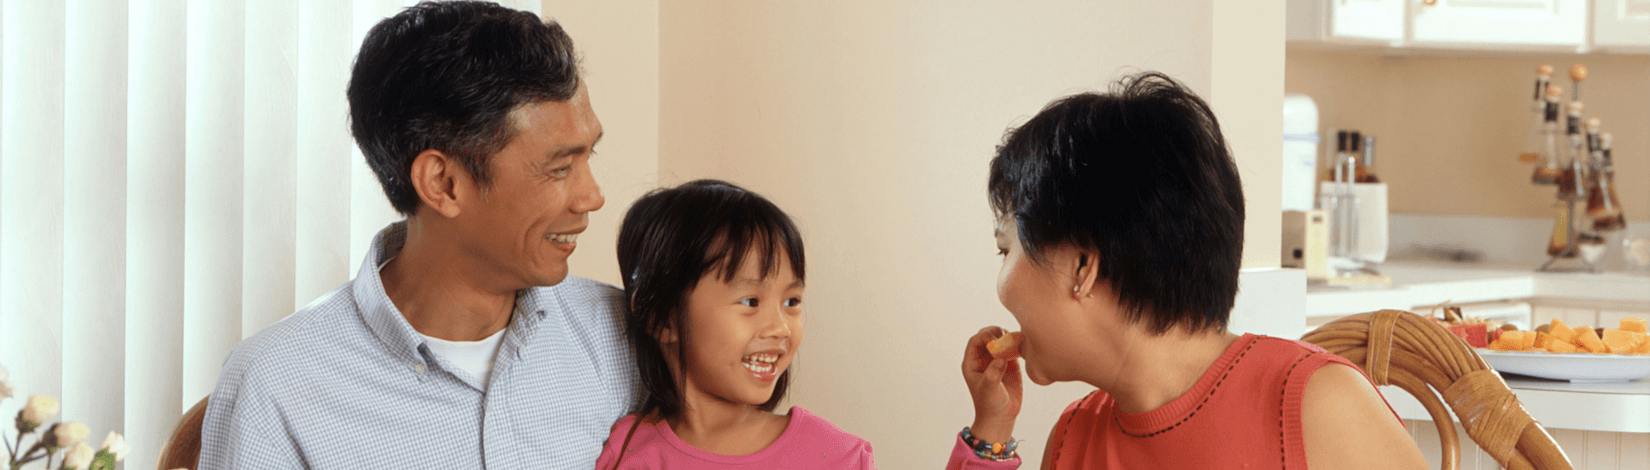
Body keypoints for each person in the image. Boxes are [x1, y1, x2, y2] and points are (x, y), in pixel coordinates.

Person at [200, 2, 636, 468]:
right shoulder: (274, 386)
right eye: (561, 167)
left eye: (590, 157)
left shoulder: (628, 338)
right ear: (442, 184)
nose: (592, 196)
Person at [949, 72, 1428, 469]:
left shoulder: (1318, 407)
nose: (1002, 287)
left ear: (1083, 266)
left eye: (1005, 250)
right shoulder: (1073, 441)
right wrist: (991, 432)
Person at [595, 180, 877, 469]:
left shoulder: (839, 457)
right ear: (661, 318)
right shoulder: (628, 453)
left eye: (791, 302)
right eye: (750, 302)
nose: (781, 328)